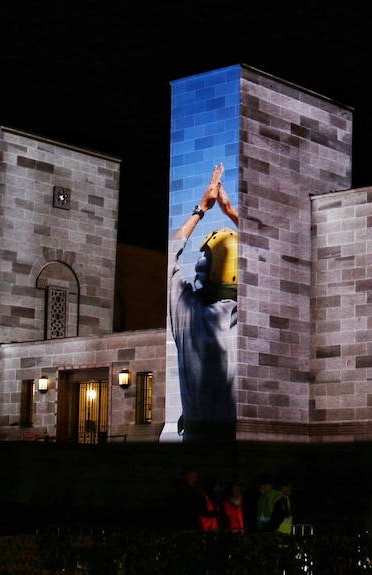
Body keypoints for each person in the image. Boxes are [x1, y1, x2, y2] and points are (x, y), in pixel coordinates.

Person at [168, 162, 240, 443]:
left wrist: (201, 208)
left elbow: (170, 257)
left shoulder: (186, 313)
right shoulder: (253, 321)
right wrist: (231, 211)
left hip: (195, 445)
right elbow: (274, 250)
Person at [171, 466, 200, 531]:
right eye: (193, 477)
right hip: (183, 523)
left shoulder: (186, 489)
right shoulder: (182, 489)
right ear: (186, 476)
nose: (195, 480)